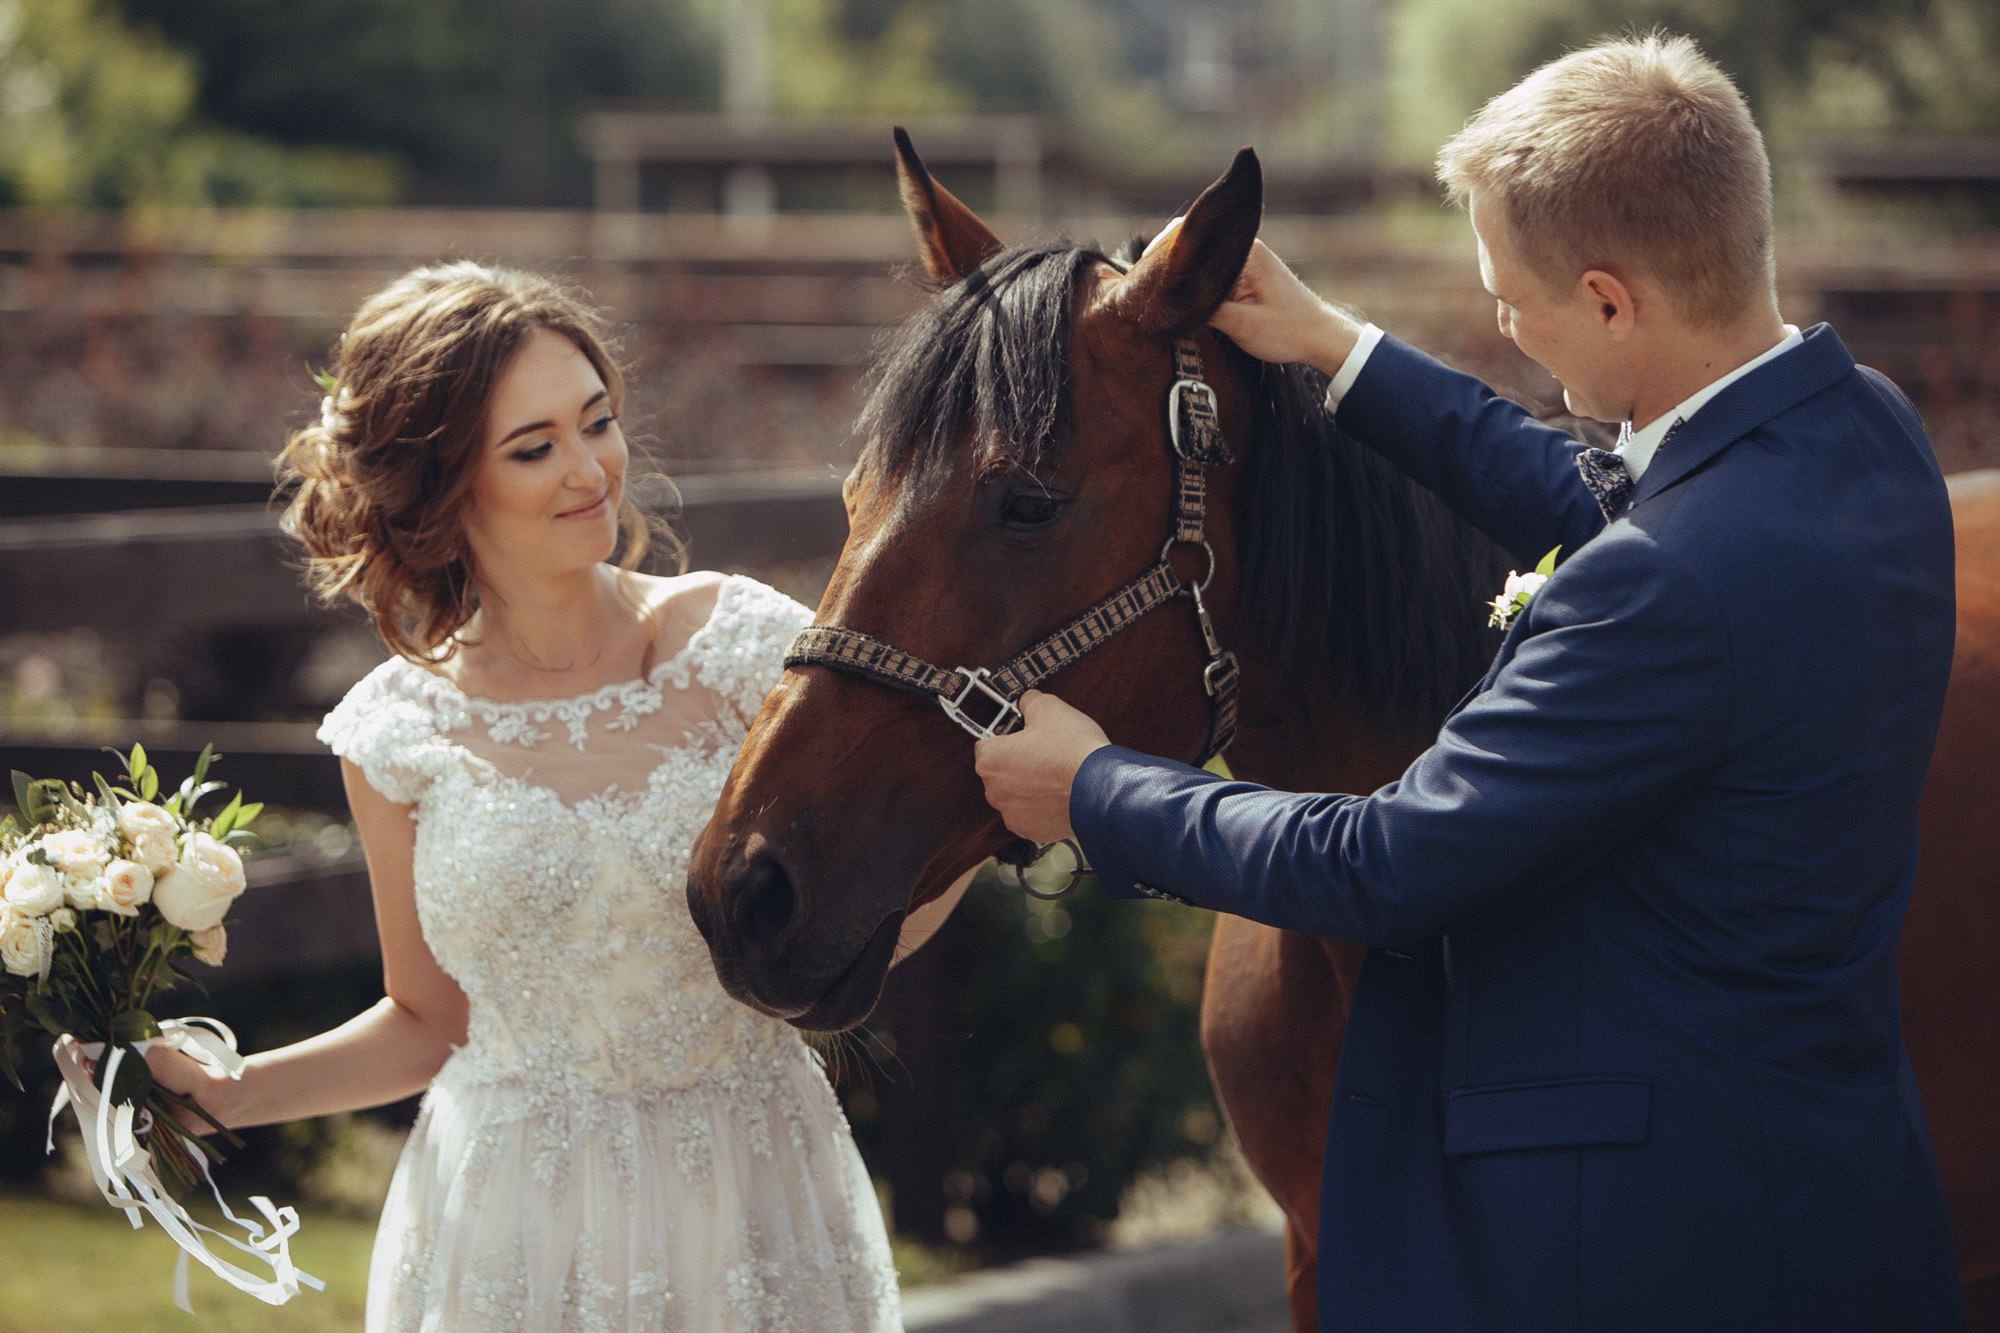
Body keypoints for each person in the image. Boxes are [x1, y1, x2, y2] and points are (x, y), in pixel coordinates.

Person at [973, 34, 1964, 1332]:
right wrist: (1336, 347)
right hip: (1826, 1184)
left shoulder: (1667, 589)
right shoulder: (1863, 436)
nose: (1503, 317)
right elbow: (1610, 510)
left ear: (1610, 302)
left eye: (1512, 294)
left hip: (1642, 1256)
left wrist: (1094, 789)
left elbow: (1384, 865)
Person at [141, 263, 949, 1331]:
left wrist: (991, 822)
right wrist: (232, 1089)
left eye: (597, 422)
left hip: (747, 1198)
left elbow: (865, 906)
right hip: (502, 1226)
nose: (591, 470)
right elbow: (427, 1020)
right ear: (443, 489)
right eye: (534, 448)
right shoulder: (396, 733)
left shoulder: (740, 646)